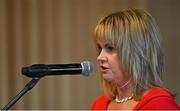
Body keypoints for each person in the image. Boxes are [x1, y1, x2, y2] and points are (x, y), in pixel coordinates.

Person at [91, 9, 180, 110]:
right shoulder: (99, 105)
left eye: (110, 48)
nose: (100, 57)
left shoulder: (161, 105)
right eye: (99, 48)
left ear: (136, 52)